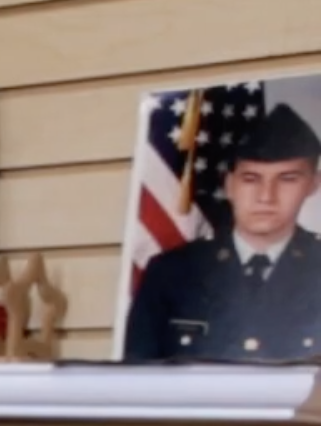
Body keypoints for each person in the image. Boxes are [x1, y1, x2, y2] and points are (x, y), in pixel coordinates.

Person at [125, 103, 321, 363]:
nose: (266, 196)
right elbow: (139, 380)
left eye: (287, 179)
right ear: (229, 185)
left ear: (313, 184)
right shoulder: (172, 273)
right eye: (251, 179)